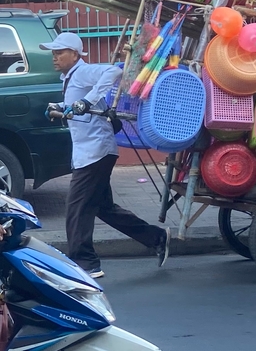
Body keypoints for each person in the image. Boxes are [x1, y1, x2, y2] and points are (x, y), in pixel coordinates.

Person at [40, 32, 170, 279]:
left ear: (75, 54)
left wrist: (87, 101)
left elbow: (114, 72)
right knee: (103, 208)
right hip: (90, 152)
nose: (54, 57)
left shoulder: (84, 71)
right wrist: (61, 107)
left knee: (77, 207)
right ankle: (156, 237)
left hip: (95, 152)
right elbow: (76, 106)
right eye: (53, 53)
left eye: (59, 52)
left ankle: (86, 263)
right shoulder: (71, 77)